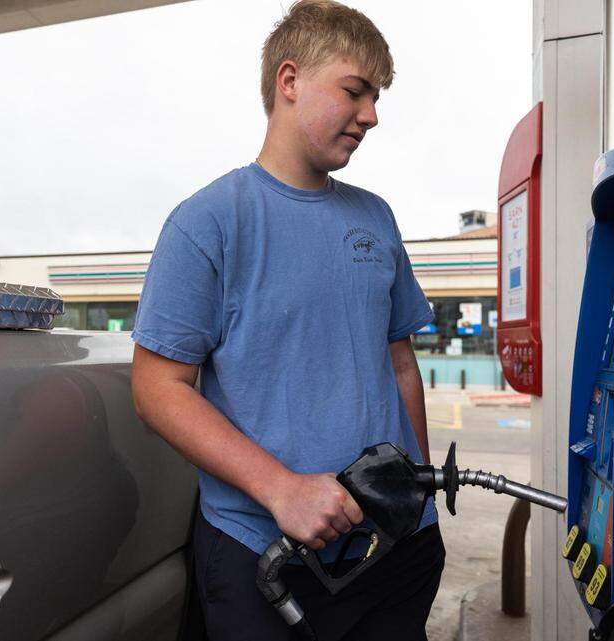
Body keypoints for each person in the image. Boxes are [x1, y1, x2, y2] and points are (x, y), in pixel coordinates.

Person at [130, 2, 443, 639]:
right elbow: (157, 389)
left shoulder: (375, 218)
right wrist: (281, 489)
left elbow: (400, 363)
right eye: (355, 92)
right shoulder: (207, 222)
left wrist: (419, 492)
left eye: (377, 98)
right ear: (290, 81)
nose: (372, 116)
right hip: (265, 557)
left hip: (394, 547)